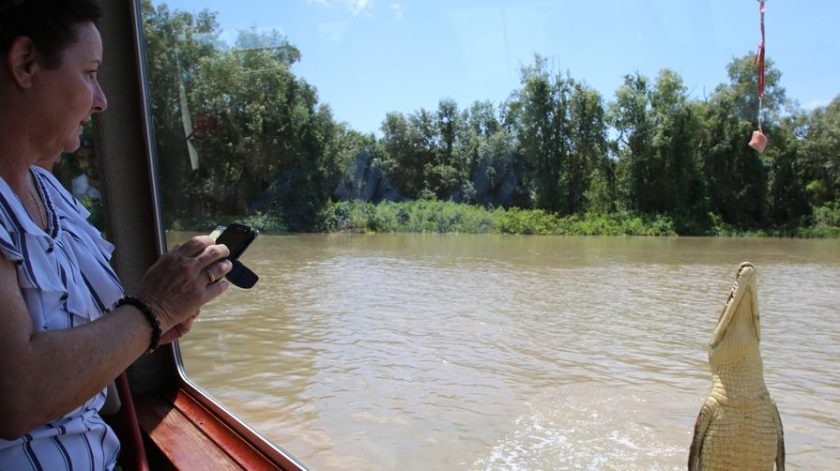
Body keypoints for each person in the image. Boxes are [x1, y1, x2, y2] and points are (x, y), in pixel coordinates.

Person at [0, 1, 233, 468]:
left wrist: (152, 328)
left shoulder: (50, 190)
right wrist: (152, 310)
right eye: (89, 72)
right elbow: (16, 396)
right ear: (25, 63)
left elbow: (83, 332)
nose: (101, 98)